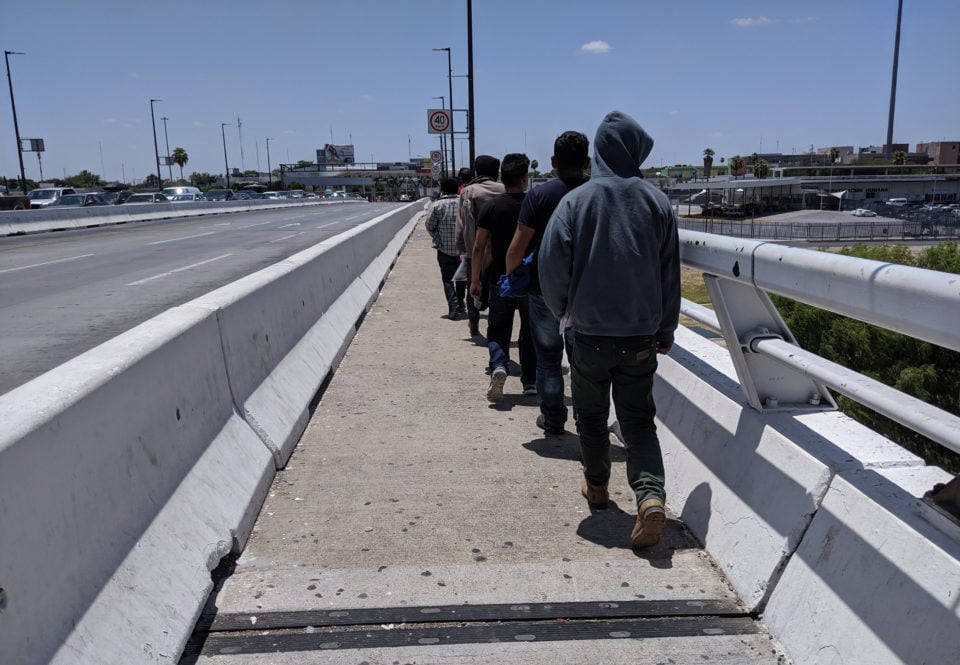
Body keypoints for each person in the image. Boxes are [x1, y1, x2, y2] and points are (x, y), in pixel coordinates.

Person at [539, 111, 680, 549]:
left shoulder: (576, 201)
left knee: (592, 415)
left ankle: (598, 488)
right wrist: (666, 328)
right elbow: (669, 274)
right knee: (638, 420)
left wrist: (565, 310)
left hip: (588, 335)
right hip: (640, 336)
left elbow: (551, 266)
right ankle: (650, 496)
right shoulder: (657, 202)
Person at [504, 130, 590, 435]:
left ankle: (554, 418)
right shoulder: (595, 193)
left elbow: (516, 249)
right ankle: (585, 422)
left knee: (548, 359)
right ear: (587, 162)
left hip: (544, 289)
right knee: (583, 364)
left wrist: (513, 279)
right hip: (586, 292)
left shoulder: (539, 196)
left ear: (553, 161)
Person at [470, 153, 537, 402]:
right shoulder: (535, 204)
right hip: (530, 280)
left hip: (500, 280)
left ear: (502, 177)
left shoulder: (491, 207)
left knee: (498, 329)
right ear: (524, 178)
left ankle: (499, 366)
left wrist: (475, 280)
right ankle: (530, 381)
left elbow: (479, 247)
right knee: (530, 332)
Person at [456, 156, 504, 337]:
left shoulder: (468, 191)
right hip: (502, 251)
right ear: (496, 171)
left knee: (473, 287)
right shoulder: (505, 189)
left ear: (476, 171)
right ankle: (496, 325)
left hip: (475, 249)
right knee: (498, 288)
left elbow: (461, 224)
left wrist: (461, 246)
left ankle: (474, 323)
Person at [424, 178, 466, 319]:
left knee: (447, 279)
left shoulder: (437, 205)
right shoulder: (465, 203)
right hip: (463, 250)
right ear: (458, 188)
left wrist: (438, 236)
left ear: (443, 189)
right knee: (461, 279)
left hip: (444, 250)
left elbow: (429, 225)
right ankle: (461, 304)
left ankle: (453, 307)